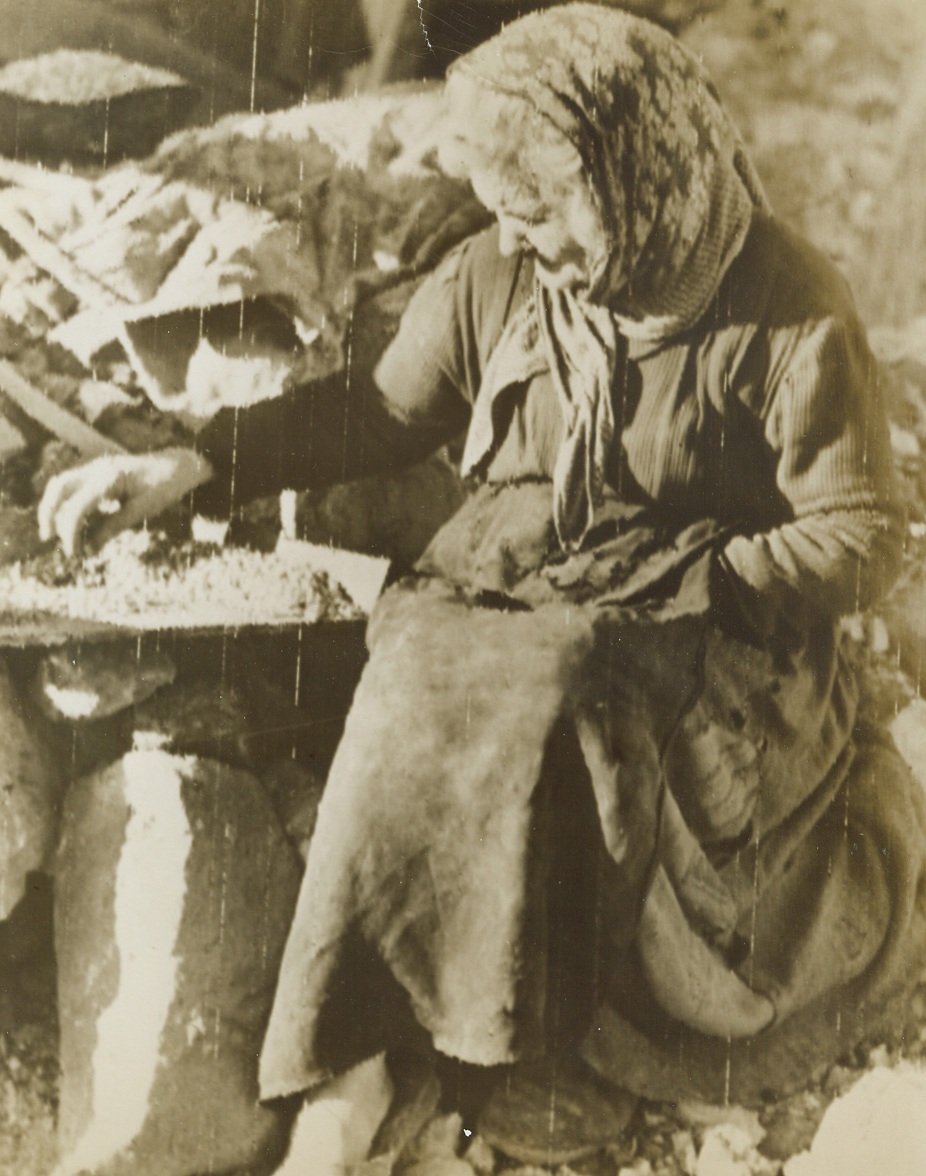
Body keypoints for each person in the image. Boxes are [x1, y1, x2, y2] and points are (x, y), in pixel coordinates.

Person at [38, 5, 926, 1168]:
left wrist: (689, 575)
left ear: (634, 166)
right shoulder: (503, 271)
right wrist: (198, 461)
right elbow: (377, 410)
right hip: (523, 588)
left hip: (717, 644)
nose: (522, 237)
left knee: (550, 682)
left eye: (548, 210)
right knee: (415, 658)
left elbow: (862, 534)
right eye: (506, 209)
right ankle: (348, 1061)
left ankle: (505, 1057)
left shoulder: (781, 307)